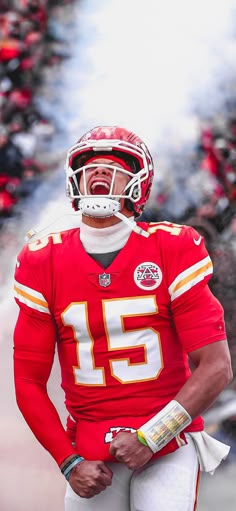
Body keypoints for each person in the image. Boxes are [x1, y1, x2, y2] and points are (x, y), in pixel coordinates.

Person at [13, 125, 233, 511]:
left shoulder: (172, 246)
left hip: (168, 441)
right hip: (90, 450)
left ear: (139, 183)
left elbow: (216, 367)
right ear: (73, 182)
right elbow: (28, 381)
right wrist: (68, 461)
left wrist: (151, 437)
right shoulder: (42, 259)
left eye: (112, 167)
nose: (98, 174)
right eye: (89, 167)